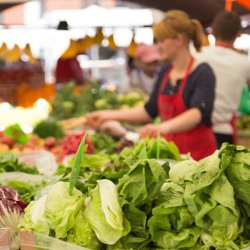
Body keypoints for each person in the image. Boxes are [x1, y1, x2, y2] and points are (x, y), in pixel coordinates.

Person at [86, 10, 217, 160]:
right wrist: (106, 115)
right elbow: (149, 110)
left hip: (199, 157)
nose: (158, 46)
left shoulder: (202, 71)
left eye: (161, 41)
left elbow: (197, 113)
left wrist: (159, 128)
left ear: (179, 40)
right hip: (171, 156)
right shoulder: (165, 72)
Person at [195, 11, 250, 148]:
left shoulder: (198, 55)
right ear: (238, 34)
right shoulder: (244, 63)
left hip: (196, 130)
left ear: (213, 31)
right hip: (224, 132)